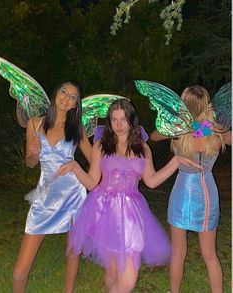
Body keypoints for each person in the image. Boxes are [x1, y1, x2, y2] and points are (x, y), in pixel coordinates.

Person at [57, 98, 202, 293]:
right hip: (103, 211)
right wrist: (75, 167)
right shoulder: (101, 145)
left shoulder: (142, 148)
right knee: (113, 271)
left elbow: (151, 181)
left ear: (131, 120)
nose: (118, 124)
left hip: (131, 215)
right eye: (113, 119)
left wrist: (175, 162)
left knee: (127, 280)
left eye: (123, 119)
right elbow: (92, 182)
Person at [150, 85, 232, 293]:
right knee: (210, 254)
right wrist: (210, 125)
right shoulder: (215, 131)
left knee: (178, 252)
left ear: (183, 104)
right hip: (206, 192)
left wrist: (181, 125)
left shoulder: (179, 131)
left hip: (182, 190)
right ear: (207, 105)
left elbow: (153, 136)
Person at [12, 81, 92, 293]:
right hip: (45, 198)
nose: (66, 97)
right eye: (64, 91)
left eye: (73, 96)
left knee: (73, 251)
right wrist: (33, 153)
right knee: (19, 272)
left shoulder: (77, 128)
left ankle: (69, 291)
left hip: (73, 196)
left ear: (76, 105)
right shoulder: (35, 124)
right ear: (56, 93)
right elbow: (30, 163)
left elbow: (95, 160)